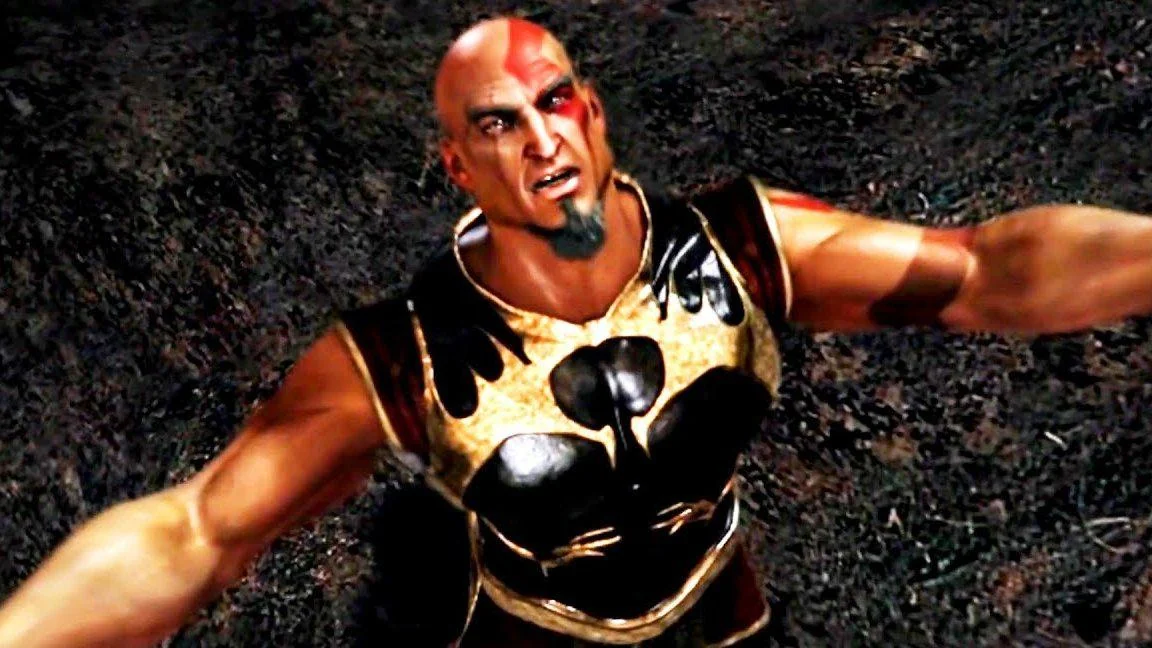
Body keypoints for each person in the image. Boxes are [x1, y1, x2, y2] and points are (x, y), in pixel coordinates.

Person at [2, 15, 1152, 648]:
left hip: (722, 618)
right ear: (458, 164)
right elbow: (195, 532)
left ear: (593, 114)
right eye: (498, 123)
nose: (541, 138)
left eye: (554, 101)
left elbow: (983, 270)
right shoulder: (402, 354)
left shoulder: (743, 248)